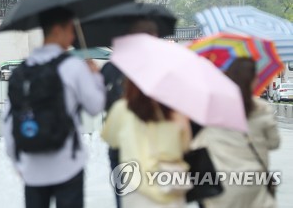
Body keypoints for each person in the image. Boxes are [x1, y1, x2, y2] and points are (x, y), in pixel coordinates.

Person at [2, 7, 105, 208]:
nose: (74, 36)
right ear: (57, 30)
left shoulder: (22, 71)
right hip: (68, 164)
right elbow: (95, 106)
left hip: (32, 168)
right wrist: (95, 77)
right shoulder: (73, 67)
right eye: (70, 30)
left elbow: (7, 122)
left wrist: (18, 162)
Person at [191, 58, 280, 208]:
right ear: (253, 80)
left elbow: (196, 143)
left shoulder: (211, 109)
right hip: (254, 182)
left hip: (220, 182)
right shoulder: (262, 110)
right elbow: (274, 143)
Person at [102, 77, 192, 207]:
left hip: (135, 185)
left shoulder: (122, 109)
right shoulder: (176, 112)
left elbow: (110, 139)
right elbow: (185, 145)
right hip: (171, 182)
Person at [101, 18, 160, 208]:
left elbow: (102, 106)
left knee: (125, 201)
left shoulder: (111, 68)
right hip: (156, 146)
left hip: (121, 146)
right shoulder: (163, 67)